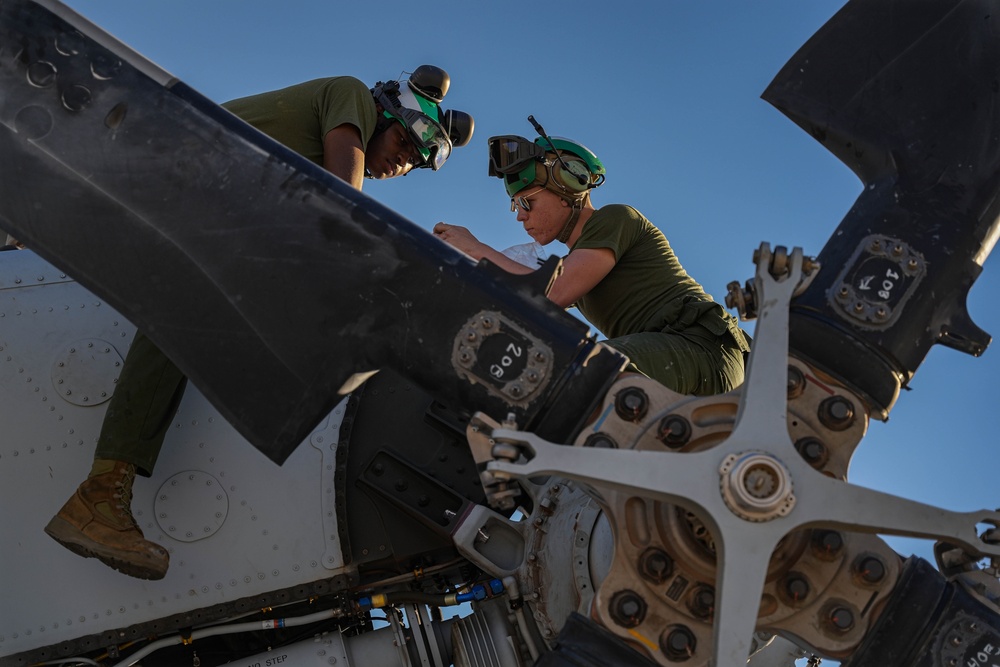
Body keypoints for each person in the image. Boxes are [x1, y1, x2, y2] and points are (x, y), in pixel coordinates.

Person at [44, 66, 475, 580]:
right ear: (386, 112)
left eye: (414, 165)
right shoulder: (352, 96)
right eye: (406, 143)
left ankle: (100, 493)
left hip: (177, 190)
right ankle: (98, 494)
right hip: (162, 171)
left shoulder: (286, 187)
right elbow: (343, 202)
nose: (404, 164)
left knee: (203, 315)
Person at [433, 129, 749, 396]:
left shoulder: (616, 218)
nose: (519, 215)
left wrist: (476, 248)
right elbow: (528, 301)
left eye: (527, 201)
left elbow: (549, 294)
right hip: (673, 352)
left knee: (584, 371)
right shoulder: (572, 263)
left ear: (568, 185)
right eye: (514, 204)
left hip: (704, 348)